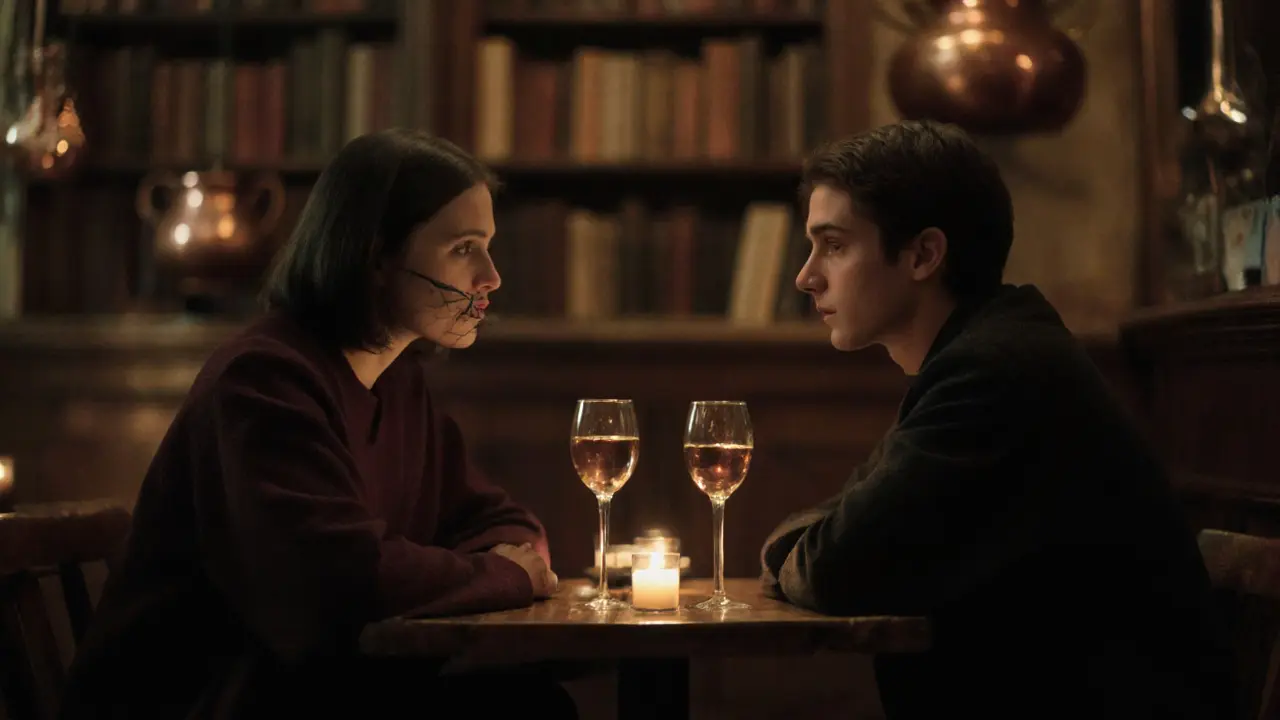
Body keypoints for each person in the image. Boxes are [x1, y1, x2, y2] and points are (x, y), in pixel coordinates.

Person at [59, 129, 576, 719]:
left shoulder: (397, 383)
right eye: (464, 248)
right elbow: (339, 578)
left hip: (315, 690)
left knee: (529, 702)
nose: (491, 277)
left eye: (487, 247)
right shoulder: (264, 380)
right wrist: (501, 575)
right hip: (207, 702)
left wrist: (500, 564)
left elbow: (497, 519)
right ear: (375, 256)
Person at [760, 120, 1237, 719]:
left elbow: (835, 566)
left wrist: (788, 551)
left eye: (834, 246)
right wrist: (806, 546)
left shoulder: (992, 373)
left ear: (924, 254)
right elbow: (845, 529)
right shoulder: (983, 353)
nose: (806, 277)